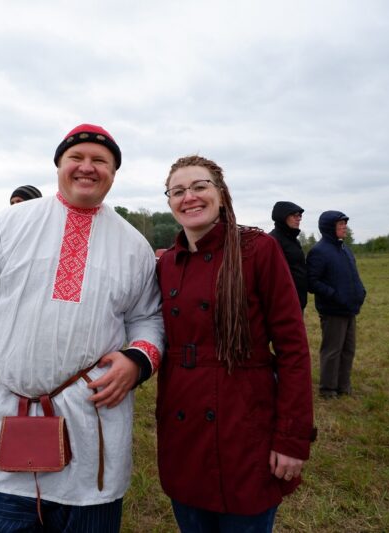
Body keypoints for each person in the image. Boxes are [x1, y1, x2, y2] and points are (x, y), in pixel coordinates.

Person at [0, 124, 163, 532]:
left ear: (113, 173)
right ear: (58, 165)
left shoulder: (134, 245)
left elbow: (148, 317)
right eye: (77, 158)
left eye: (100, 161)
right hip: (2, 412)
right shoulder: (10, 224)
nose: (87, 168)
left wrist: (136, 359)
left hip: (90, 424)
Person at [156, 155, 315, 531]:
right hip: (184, 433)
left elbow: (293, 350)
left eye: (199, 186)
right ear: (170, 202)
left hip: (244, 427)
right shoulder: (165, 265)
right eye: (178, 191)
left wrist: (291, 439)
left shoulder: (256, 250)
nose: (189, 197)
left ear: (221, 193)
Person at [306, 211, 366, 399]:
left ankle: (343, 386)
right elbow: (311, 282)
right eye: (340, 224)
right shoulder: (319, 251)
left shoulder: (345, 249)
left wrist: (360, 291)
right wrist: (335, 295)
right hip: (333, 310)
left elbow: (352, 275)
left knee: (348, 350)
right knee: (332, 350)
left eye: (344, 223)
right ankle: (328, 389)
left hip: (349, 309)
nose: (344, 227)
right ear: (329, 227)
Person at [269, 202, 307, 311]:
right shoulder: (272, 241)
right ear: (283, 216)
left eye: (300, 216)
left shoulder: (294, 241)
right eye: (295, 215)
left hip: (298, 302)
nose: (299, 219)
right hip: (283, 305)